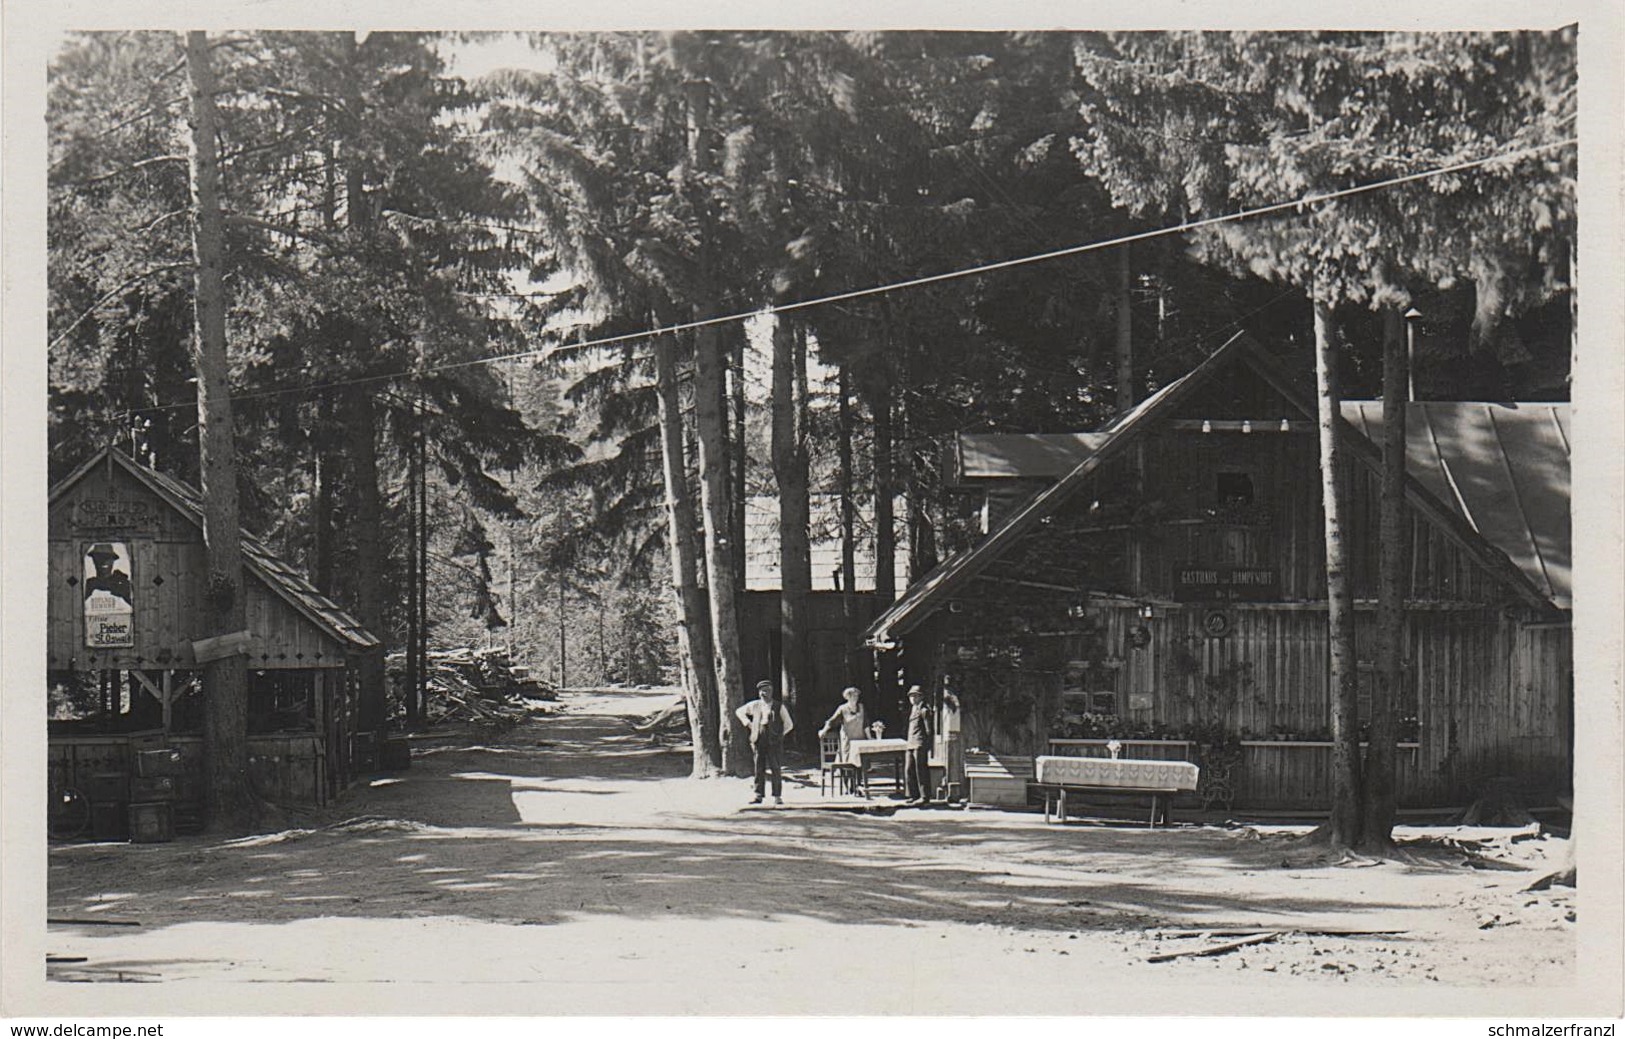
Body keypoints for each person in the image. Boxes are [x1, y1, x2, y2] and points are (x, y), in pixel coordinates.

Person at [736, 680, 795, 805]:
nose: (764, 693)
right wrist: (748, 724)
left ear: (771, 692)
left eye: (766, 691)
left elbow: (789, 724)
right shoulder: (755, 705)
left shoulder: (779, 706)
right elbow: (739, 711)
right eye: (761, 691)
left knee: (775, 767)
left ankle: (777, 796)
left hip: (774, 740)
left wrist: (779, 735)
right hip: (758, 738)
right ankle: (758, 795)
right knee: (759, 767)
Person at [818, 686, 868, 759]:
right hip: (848, 740)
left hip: (860, 739)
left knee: (862, 759)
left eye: (857, 695)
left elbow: (866, 723)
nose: (855, 697)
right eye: (853, 696)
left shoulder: (861, 707)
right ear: (847, 697)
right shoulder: (842, 709)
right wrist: (824, 730)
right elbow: (832, 721)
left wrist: (869, 737)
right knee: (849, 759)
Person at [903, 684, 933, 805]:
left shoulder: (924, 710)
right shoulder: (913, 709)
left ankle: (924, 796)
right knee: (909, 769)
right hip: (910, 743)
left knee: (921, 770)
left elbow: (928, 730)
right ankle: (913, 794)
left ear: (921, 697)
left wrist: (926, 745)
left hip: (919, 743)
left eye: (916, 696)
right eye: (911, 696)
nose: (913, 698)